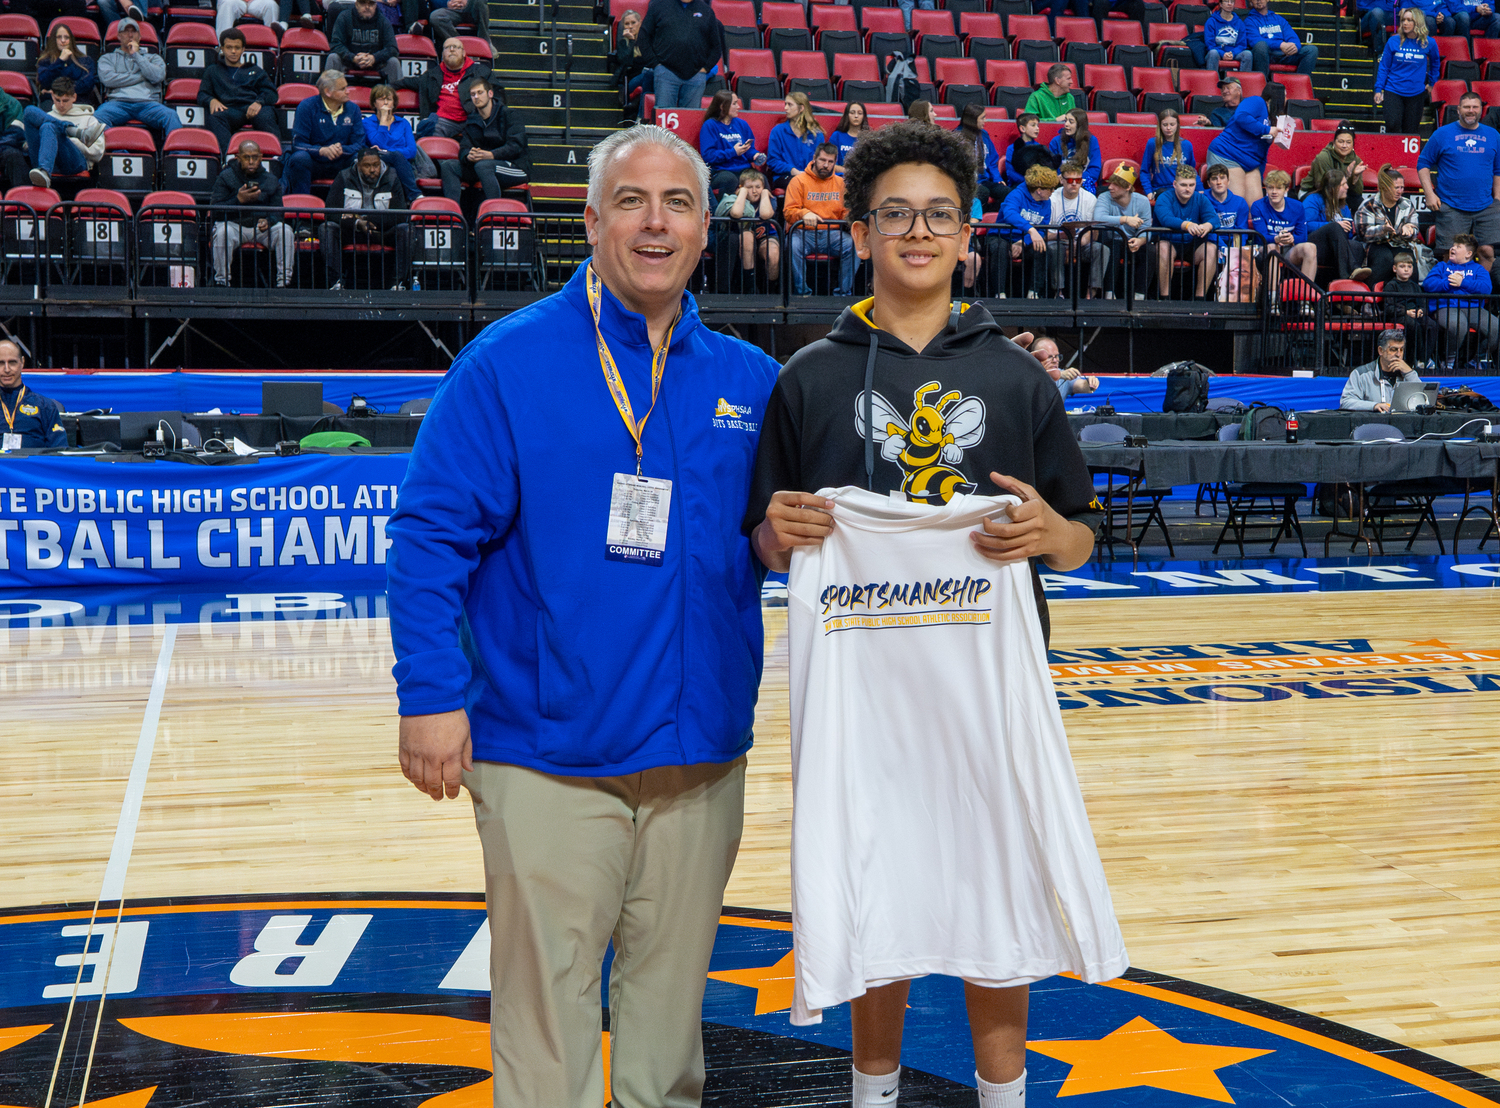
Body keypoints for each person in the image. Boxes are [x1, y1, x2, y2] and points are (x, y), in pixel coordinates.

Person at [387, 122, 779, 1108]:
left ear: (703, 230)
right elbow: (429, 541)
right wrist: (430, 696)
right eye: (634, 202)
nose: (656, 223)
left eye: (678, 203)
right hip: (546, 758)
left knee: (667, 1029)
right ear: (593, 220)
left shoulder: (749, 381)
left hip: (699, 762)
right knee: (549, 1026)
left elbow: (786, 539)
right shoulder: (506, 363)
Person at [742, 118, 1125, 1108]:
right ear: (860, 233)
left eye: (938, 215)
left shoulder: (1015, 376)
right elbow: (764, 541)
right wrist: (778, 532)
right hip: (864, 700)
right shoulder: (811, 377)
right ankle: (874, 1094)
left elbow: (1084, 534)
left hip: (987, 694)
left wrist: (1049, 533)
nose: (918, 232)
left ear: (967, 236)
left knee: (991, 896)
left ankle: (1005, 1097)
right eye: (896, 215)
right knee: (877, 897)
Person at [1417, 90, 1500, 268]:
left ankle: (1482, 294)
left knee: (1487, 251)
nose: (1471, 110)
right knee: (1452, 254)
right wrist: (1429, 194)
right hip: (1451, 205)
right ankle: (1452, 294)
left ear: (1481, 110)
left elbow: (1498, 170)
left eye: (1475, 107)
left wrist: (1498, 198)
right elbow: (1423, 164)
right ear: (1458, 110)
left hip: (1486, 206)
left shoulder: (1493, 135)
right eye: (1467, 107)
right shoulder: (1442, 134)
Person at [209, 138, 294, 287]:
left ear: (261, 158)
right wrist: (238, 200)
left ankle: (284, 282)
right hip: (234, 225)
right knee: (222, 232)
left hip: (261, 228)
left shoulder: (270, 180)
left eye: (255, 157)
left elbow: (278, 211)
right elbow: (215, 211)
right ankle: (221, 282)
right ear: (238, 158)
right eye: (246, 157)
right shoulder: (226, 177)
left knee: (285, 231)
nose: (251, 161)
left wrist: (269, 221)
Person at [324, 146, 410, 289]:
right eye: (367, 166)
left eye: (376, 165)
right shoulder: (344, 177)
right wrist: (357, 223)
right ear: (358, 165)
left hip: (380, 232)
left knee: (406, 230)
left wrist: (369, 219)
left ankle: (397, 284)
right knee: (327, 228)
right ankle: (336, 283)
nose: (372, 170)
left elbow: (400, 214)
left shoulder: (392, 177)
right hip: (352, 232)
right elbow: (331, 212)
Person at [440, 79, 529, 201]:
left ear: (490, 94)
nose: (476, 97)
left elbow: (516, 146)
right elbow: (464, 147)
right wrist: (468, 156)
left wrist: (492, 155)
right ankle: (453, 216)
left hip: (515, 167)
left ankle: (494, 215)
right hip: (483, 166)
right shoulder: (472, 120)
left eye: (480, 92)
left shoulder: (509, 114)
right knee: (449, 166)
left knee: (483, 166)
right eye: (473, 94)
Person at [785, 142, 855, 296]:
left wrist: (849, 218)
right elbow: (789, 211)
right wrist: (804, 213)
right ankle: (802, 294)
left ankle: (843, 295)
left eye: (830, 162)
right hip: (803, 233)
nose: (826, 165)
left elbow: (845, 211)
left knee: (853, 245)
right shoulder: (798, 181)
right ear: (814, 158)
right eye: (822, 160)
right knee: (792, 245)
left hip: (833, 234)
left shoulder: (841, 183)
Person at [198, 27, 281, 156]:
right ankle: (228, 157)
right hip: (230, 110)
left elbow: (272, 93)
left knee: (266, 114)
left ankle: (276, 156)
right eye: (229, 47)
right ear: (222, 49)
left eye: (237, 48)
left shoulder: (255, 70)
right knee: (215, 117)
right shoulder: (213, 70)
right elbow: (202, 94)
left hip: (253, 107)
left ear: (243, 49)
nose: (233, 51)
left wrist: (259, 102)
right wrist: (211, 100)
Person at [1423, 232, 1500, 368]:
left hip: (1472, 308)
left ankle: (1478, 358)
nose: (1453, 248)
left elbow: (1486, 288)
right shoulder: (1442, 266)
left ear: (1468, 254)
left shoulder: (1478, 269)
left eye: (1458, 246)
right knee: (1458, 324)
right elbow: (1428, 284)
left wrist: (1463, 282)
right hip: (1446, 306)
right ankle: (1448, 360)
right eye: (1453, 246)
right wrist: (1448, 283)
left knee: (1495, 326)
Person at [93, 19, 181, 138]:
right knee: (97, 118)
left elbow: (157, 76)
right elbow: (108, 80)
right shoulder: (107, 58)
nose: (130, 35)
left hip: (148, 103)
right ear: (119, 36)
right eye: (125, 32)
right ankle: (119, 153)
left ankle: (177, 155)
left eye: (133, 32)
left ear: (139, 36)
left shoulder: (153, 58)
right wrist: (142, 76)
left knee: (171, 116)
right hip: (118, 103)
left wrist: (136, 55)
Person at [286, 71, 367, 196]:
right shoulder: (306, 107)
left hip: (342, 161)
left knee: (359, 158)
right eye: (342, 88)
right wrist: (321, 150)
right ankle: (301, 209)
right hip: (315, 162)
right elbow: (298, 144)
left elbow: (359, 143)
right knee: (299, 158)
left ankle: (354, 209)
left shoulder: (353, 109)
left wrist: (340, 149)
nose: (348, 91)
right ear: (328, 92)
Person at [638, 0, 722, 109]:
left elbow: (716, 46)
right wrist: (655, 64)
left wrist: (706, 68)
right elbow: (643, 37)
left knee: (690, 120)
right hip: (666, 73)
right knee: (664, 120)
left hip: (696, 76)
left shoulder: (706, 11)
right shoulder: (658, 6)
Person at [404, 37, 494, 139]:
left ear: (464, 53)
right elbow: (410, 82)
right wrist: (389, 86)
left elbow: (497, 95)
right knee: (431, 128)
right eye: (447, 47)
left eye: (456, 47)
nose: (451, 49)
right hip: (444, 121)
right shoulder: (432, 75)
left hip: (472, 118)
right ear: (442, 55)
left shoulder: (481, 71)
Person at [23, 77, 104, 189]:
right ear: (52, 96)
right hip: (44, 161)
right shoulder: (48, 116)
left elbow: (98, 153)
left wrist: (74, 141)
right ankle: (71, 130)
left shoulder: (89, 119)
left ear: (74, 97)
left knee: (49, 126)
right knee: (29, 111)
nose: (61, 105)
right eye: (57, 100)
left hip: (73, 163)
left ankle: (45, 169)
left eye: (65, 100)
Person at [1155, 165, 1219, 299]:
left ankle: (1199, 299)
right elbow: (1166, 219)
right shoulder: (1164, 198)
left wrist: (1207, 225)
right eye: (1183, 185)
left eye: (1191, 185)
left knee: (1211, 249)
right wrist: (1187, 225)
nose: (1188, 189)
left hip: (1192, 245)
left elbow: (1214, 219)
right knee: (1163, 248)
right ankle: (1164, 298)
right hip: (1170, 242)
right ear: (1175, 184)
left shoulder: (1200, 199)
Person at [1252, 169, 1317, 299]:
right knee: (1272, 248)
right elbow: (1261, 237)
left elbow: (1302, 237)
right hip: (1265, 249)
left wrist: (1292, 238)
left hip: (1288, 250)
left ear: (1286, 189)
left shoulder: (1297, 206)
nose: (1274, 192)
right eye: (1270, 188)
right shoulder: (1258, 206)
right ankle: (1273, 299)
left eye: (1278, 188)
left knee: (1310, 247)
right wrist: (1276, 238)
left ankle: (1306, 299)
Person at [1374, 10, 1438, 136]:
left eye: (1409, 20)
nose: (1405, 23)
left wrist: (1432, 82)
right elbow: (1384, 66)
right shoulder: (1393, 41)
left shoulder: (1429, 43)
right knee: (1392, 124)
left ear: (1418, 22)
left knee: (1410, 131)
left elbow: (1435, 63)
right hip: (1393, 90)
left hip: (1416, 93)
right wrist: (1378, 89)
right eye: (1403, 20)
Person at [1356, 163, 1423, 284]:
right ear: (1385, 187)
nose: (1400, 191)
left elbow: (1415, 232)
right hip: (1376, 244)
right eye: (1396, 187)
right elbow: (1363, 234)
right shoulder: (1369, 205)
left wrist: (1409, 229)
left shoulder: (1407, 204)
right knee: (1385, 259)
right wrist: (1382, 230)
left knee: (1406, 262)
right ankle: (1374, 298)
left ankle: (1411, 300)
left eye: (1402, 187)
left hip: (1400, 243)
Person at [999, 162, 1058, 298]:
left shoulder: (1046, 202)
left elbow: (1042, 228)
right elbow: (1010, 214)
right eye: (1051, 188)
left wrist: (1022, 242)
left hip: (1024, 240)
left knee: (1042, 249)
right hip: (1003, 237)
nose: (1053, 191)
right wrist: (1031, 230)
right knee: (999, 248)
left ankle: (1034, 293)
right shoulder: (1016, 195)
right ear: (1039, 190)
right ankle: (999, 293)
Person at [714, 166, 779, 290]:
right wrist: (742, 194)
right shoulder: (735, 199)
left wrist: (765, 193)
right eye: (749, 187)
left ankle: (772, 291)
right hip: (743, 239)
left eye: (758, 187)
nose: (754, 191)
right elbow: (736, 214)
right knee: (747, 236)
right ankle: (749, 286)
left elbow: (765, 214)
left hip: (765, 236)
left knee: (773, 252)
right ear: (741, 188)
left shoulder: (769, 199)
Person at [1093, 163, 1152, 298]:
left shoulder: (1142, 201)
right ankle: (1109, 293)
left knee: (1150, 251)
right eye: (1110, 183)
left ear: (1127, 187)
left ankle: (1139, 295)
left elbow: (1146, 228)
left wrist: (1140, 240)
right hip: (1111, 240)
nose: (1110, 187)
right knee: (1112, 246)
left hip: (1132, 242)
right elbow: (1098, 218)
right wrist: (1125, 219)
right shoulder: (1104, 197)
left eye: (1116, 185)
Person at [1204, 91, 1272, 205]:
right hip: (1228, 153)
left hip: (1251, 162)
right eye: (1284, 96)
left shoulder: (1273, 118)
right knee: (1237, 204)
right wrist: (1267, 130)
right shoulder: (1257, 101)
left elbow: (1264, 149)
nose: (1285, 100)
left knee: (1256, 207)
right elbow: (1241, 116)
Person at [364, 83, 428, 202]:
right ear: (374, 103)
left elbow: (411, 151)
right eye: (381, 99)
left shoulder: (403, 123)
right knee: (396, 157)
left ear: (394, 103)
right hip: (379, 162)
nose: (386, 102)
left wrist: (388, 151)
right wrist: (383, 120)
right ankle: (414, 195)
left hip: (402, 163)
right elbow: (378, 142)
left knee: (396, 158)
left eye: (389, 99)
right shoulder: (367, 123)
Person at [1304, 173, 1372, 284]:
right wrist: (1333, 225)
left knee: (1356, 246)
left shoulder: (1344, 206)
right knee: (1334, 226)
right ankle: (1346, 275)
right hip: (1315, 246)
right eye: (1343, 184)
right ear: (1332, 188)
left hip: (1335, 247)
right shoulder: (1313, 199)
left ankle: (1350, 288)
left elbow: (1348, 235)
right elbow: (1306, 225)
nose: (1347, 187)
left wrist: (1345, 228)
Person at [0, 340, 65, 451]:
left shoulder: (45, 406)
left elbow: (59, 452)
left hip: (31, 468)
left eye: (12, 362)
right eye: (1, 363)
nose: (6, 369)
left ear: (22, 362)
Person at [1205, 162, 1256, 301]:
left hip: (1233, 243)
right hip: (1211, 241)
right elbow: (1208, 229)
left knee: (1244, 257)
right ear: (1209, 183)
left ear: (1228, 181)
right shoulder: (1203, 200)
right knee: (1212, 252)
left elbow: (1242, 231)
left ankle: (1242, 302)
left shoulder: (1240, 202)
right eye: (1215, 179)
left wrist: (1236, 250)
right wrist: (1222, 246)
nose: (1219, 182)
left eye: (1222, 178)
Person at [1047, 158, 1095, 296]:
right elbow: (1046, 234)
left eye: (1078, 180)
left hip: (1081, 243)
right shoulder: (1051, 199)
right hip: (1058, 242)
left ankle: (1090, 294)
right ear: (1061, 180)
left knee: (1100, 249)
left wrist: (1080, 242)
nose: (1074, 183)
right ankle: (1059, 292)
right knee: (1055, 249)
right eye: (1069, 180)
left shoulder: (1090, 199)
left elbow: (1094, 232)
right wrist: (1060, 237)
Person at [327, 0, 403, 86]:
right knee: (333, 58)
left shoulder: (383, 21)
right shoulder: (344, 17)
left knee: (394, 62)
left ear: (375, 5)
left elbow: (393, 48)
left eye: (371, 4)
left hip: (375, 63)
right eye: (363, 3)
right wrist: (353, 58)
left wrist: (374, 58)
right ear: (356, 5)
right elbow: (335, 44)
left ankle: (396, 97)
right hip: (349, 60)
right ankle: (327, 96)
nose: (367, 7)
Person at [1340, 328, 1420, 410]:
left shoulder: (1408, 374)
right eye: (1393, 350)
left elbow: (1422, 401)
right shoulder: (1361, 374)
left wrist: (1410, 373)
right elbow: (1346, 402)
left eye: (1401, 350)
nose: (1398, 354)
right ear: (1380, 350)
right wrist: (1374, 406)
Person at [699, 89, 757, 199]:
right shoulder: (710, 125)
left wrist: (755, 155)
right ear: (722, 106)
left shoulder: (742, 124)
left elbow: (749, 149)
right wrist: (733, 152)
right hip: (720, 170)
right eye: (734, 104)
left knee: (759, 178)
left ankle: (765, 214)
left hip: (743, 168)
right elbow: (708, 156)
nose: (738, 107)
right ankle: (725, 211)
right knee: (730, 179)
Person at [1384, 252, 1439, 367]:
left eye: (1409, 267)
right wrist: (1406, 312)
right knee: (1413, 326)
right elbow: (1389, 307)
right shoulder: (1391, 285)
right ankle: (1412, 360)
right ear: (1395, 268)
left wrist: (1421, 311)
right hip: (1399, 315)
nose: (1406, 270)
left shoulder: (1415, 286)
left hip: (1415, 314)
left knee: (1432, 325)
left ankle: (1423, 360)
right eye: (1402, 266)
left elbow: (1423, 303)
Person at [1242, 0, 1319, 75]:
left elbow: (1293, 37)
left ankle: (1299, 83)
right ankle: (1262, 84)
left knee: (1312, 50)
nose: (1258, 0)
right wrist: (1280, 45)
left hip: (1285, 54)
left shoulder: (1279, 19)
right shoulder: (1249, 21)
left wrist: (1295, 46)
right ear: (1251, 1)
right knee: (1260, 46)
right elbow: (1255, 41)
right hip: (1267, 55)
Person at [1302, 123, 1368, 210]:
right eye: (1341, 142)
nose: (1344, 146)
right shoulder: (1323, 157)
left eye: (1348, 142)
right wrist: (1347, 176)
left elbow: (1357, 193)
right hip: (1314, 191)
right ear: (1334, 142)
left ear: (1353, 144)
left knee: (1359, 202)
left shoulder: (1356, 160)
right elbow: (1323, 187)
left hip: (1341, 192)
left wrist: (1354, 178)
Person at [767, 92, 824, 191]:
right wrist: (792, 170)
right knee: (799, 183)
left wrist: (810, 173)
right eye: (785, 104)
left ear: (801, 108)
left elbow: (821, 159)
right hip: (785, 176)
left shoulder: (816, 134)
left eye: (789, 105)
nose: (785, 108)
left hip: (810, 176)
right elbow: (773, 161)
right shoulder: (778, 131)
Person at [958, 102, 1004, 209]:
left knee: (1006, 193)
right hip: (967, 181)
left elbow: (992, 160)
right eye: (982, 118)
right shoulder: (957, 137)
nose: (985, 121)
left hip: (984, 179)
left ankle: (990, 215)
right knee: (983, 192)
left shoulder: (984, 135)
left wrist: (997, 178)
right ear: (973, 119)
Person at [609, 8, 652, 120]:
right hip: (631, 79)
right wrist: (631, 41)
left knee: (651, 75)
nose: (630, 26)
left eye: (633, 23)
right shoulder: (623, 42)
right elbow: (626, 62)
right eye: (627, 24)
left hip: (650, 76)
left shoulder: (647, 40)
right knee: (648, 75)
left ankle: (641, 115)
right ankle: (642, 116)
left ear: (640, 23)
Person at [37, 24, 96, 105]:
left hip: (79, 101)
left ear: (71, 40)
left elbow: (87, 84)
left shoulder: (85, 60)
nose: (63, 40)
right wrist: (60, 61)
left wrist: (58, 92)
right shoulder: (45, 61)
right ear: (53, 40)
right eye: (59, 37)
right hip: (53, 102)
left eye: (66, 37)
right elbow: (44, 81)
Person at [1142, 109, 1196, 194]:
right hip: (1160, 190)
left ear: (1177, 125)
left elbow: (1192, 171)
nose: (1168, 128)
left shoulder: (1186, 145)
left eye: (1172, 124)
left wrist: (1200, 190)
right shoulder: (1152, 143)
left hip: (1182, 190)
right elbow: (1144, 171)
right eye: (1165, 125)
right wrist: (1148, 191)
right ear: (1160, 126)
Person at [1048, 109, 1101, 194]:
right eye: (1065, 120)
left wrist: (1075, 179)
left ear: (1080, 125)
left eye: (1071, 122)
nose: (1066, 124)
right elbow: (1051, 167)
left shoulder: (1092, 141)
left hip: (1083, 182)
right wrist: (1065, 179)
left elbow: (1094, 169)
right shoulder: (1056, 141)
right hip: (1062, 182)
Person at [1032, 335, 1099, 396]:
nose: (1055, 360)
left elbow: (1084, 387)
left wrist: (1091, 382)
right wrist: (1058, 375)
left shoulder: (1063, 376)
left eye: (1057, 356)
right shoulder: (1028, 374)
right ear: (1035, 358)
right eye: (1049, 357)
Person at [1005, 112, 1057, 188]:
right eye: (1033, 125)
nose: (1037, 128)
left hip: (1038, 185)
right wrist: (1029, 182)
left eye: (1038, 125)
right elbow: (1011, 172)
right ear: (1022, 128)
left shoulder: (1040, 147)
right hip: (1019, 185)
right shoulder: (1012, 148)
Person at [1201, 0, 1253, 70]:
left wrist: (1233, 53)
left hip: (1234, 53)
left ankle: (1242, 80)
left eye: (1232, 2)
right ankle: (1212, 79)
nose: (1229, 4)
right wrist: (1223, 54)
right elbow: (1210, 44)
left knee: (1247, 54)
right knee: (1213, 53)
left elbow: (1242, 45)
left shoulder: (1239, 23)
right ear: (1221, 4)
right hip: (1217, 52)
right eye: (1226, 1)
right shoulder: (1211, 21)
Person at [425, 0, 492, 50]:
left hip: (471, 7)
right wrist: (447, 3)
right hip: (451, 10)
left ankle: (485, 44)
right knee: (435, 17)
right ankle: (459, 45)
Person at [0, 83, 27, 190]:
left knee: (15, 156)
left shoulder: (13, 104)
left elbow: (15, 135)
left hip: (4, 148)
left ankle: (25, 201)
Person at [830, 100, 867, 165]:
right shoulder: (837, 136)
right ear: (847, 115)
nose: (856, 116)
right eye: (852, 113)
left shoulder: (868, 138)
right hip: (840, 174)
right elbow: (830, 163)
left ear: (863, 116)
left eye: (860, 113)